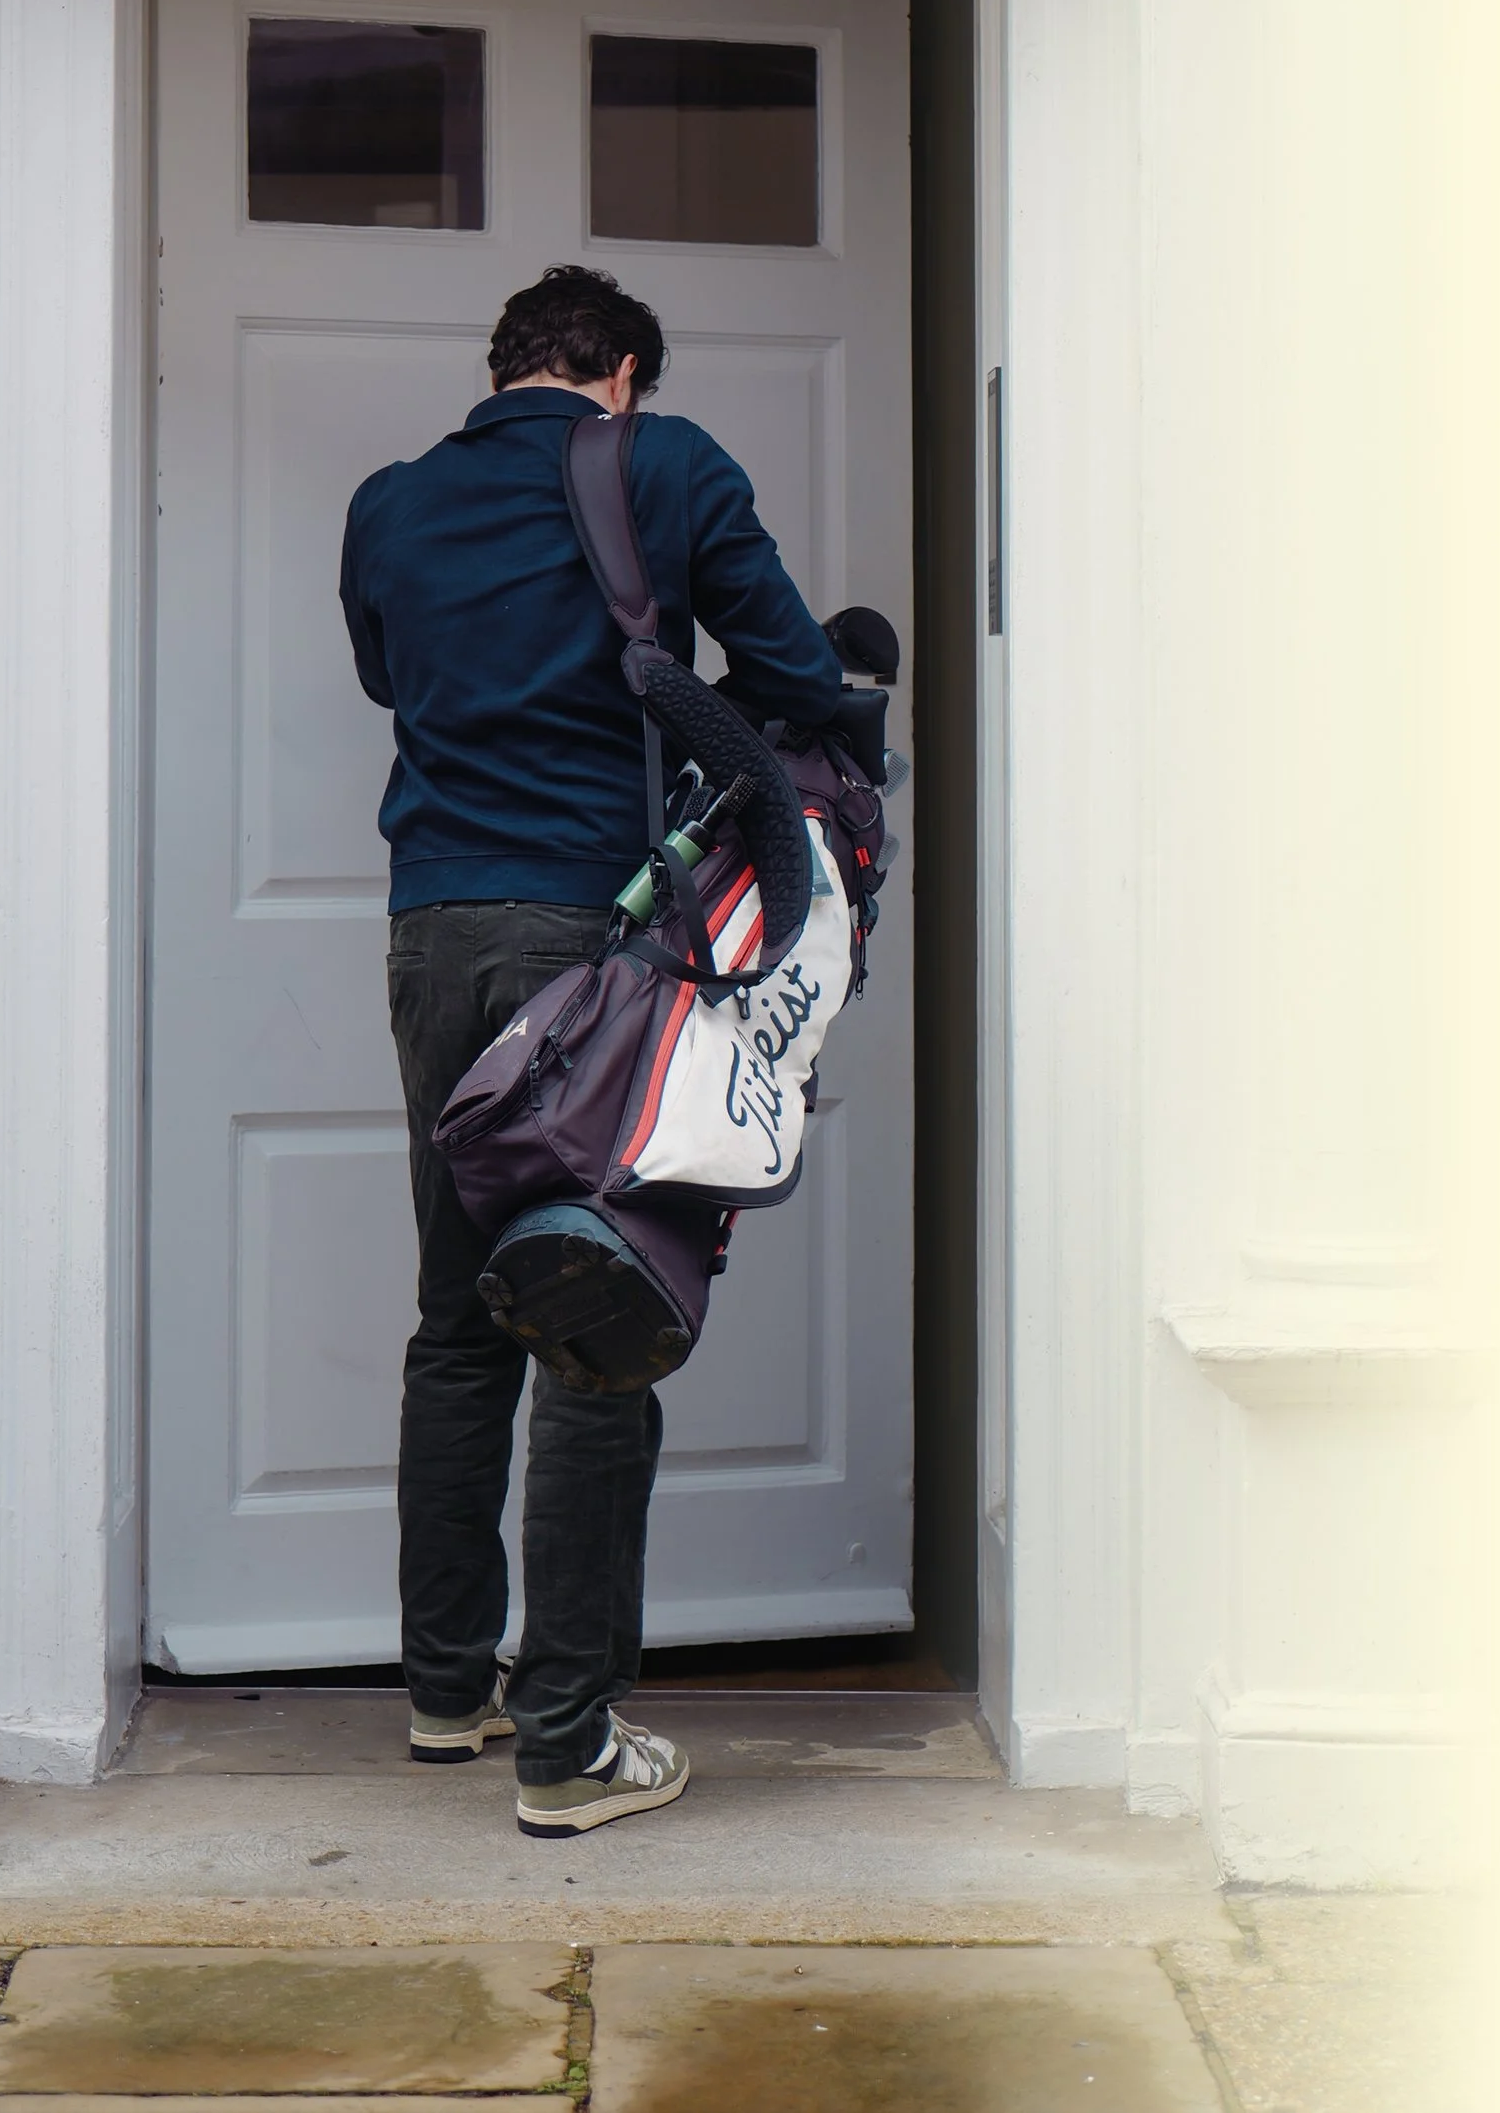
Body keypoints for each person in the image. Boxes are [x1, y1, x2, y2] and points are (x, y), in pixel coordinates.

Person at [338, 264, 849, 1839]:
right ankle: (567, 1743)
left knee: (455, 1316)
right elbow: (787, 674)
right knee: (595, 1320)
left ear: (508, 370)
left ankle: (446, 1693)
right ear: (621, 370)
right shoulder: (668, 462)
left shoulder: (388, 504)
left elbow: (391, 676)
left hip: (438, 933)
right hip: (602, 951)